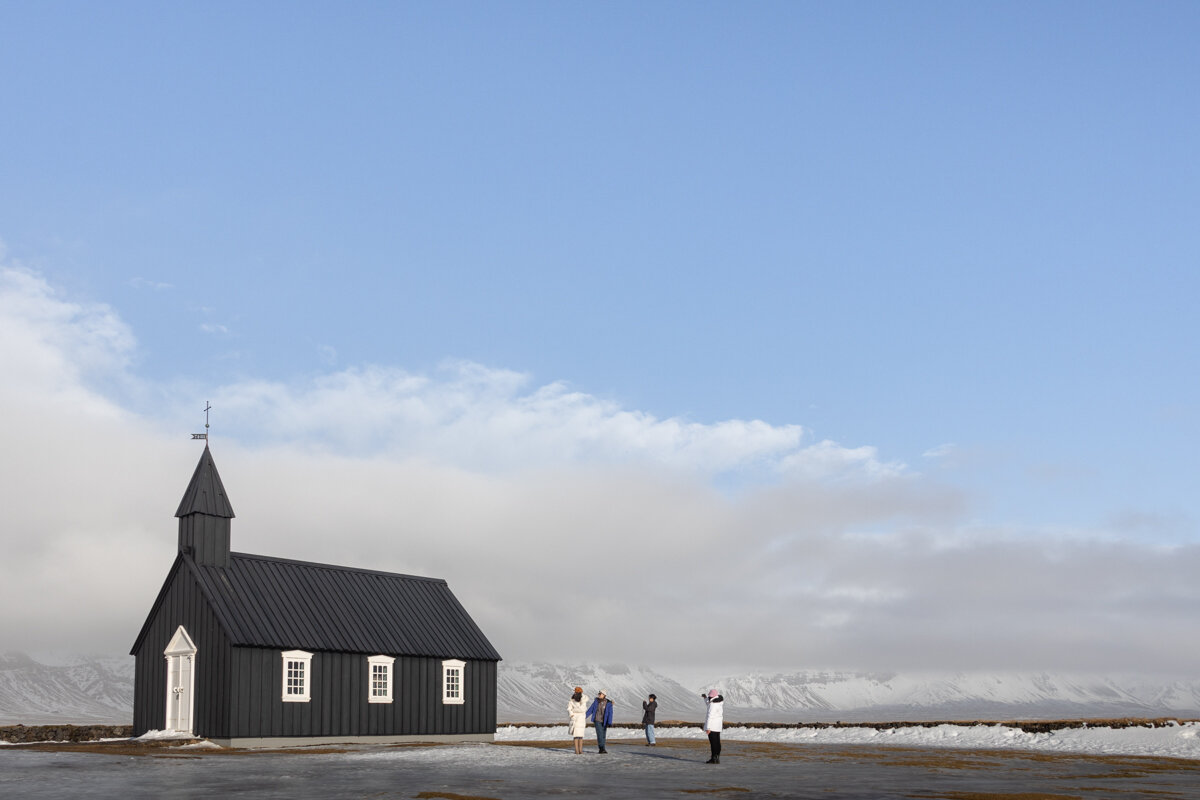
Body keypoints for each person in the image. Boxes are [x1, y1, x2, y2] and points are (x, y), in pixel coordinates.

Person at [702, 688, 724, 764]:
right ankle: (717, 757)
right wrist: (705, 698)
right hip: (718, 726)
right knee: (717, 742)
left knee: (713, 743)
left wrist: (708, 728)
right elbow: (708, 703)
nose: (709, 697)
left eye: (709, 696)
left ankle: (713, 758)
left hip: (712, 726)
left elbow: (710, 716)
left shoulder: (713, 705)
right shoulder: (719, 702)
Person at [567, 686, 588, 755]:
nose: (576, 693)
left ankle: (580, 750)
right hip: (575, 719)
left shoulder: (584, 699)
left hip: (581, 719)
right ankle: (576, 750)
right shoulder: (572, 700)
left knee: (581, 735)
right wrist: (572, 714)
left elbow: (583, 709)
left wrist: (574, 710)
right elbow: (569, 709)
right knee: (576, 735)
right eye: (575, 692)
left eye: (577, 692)